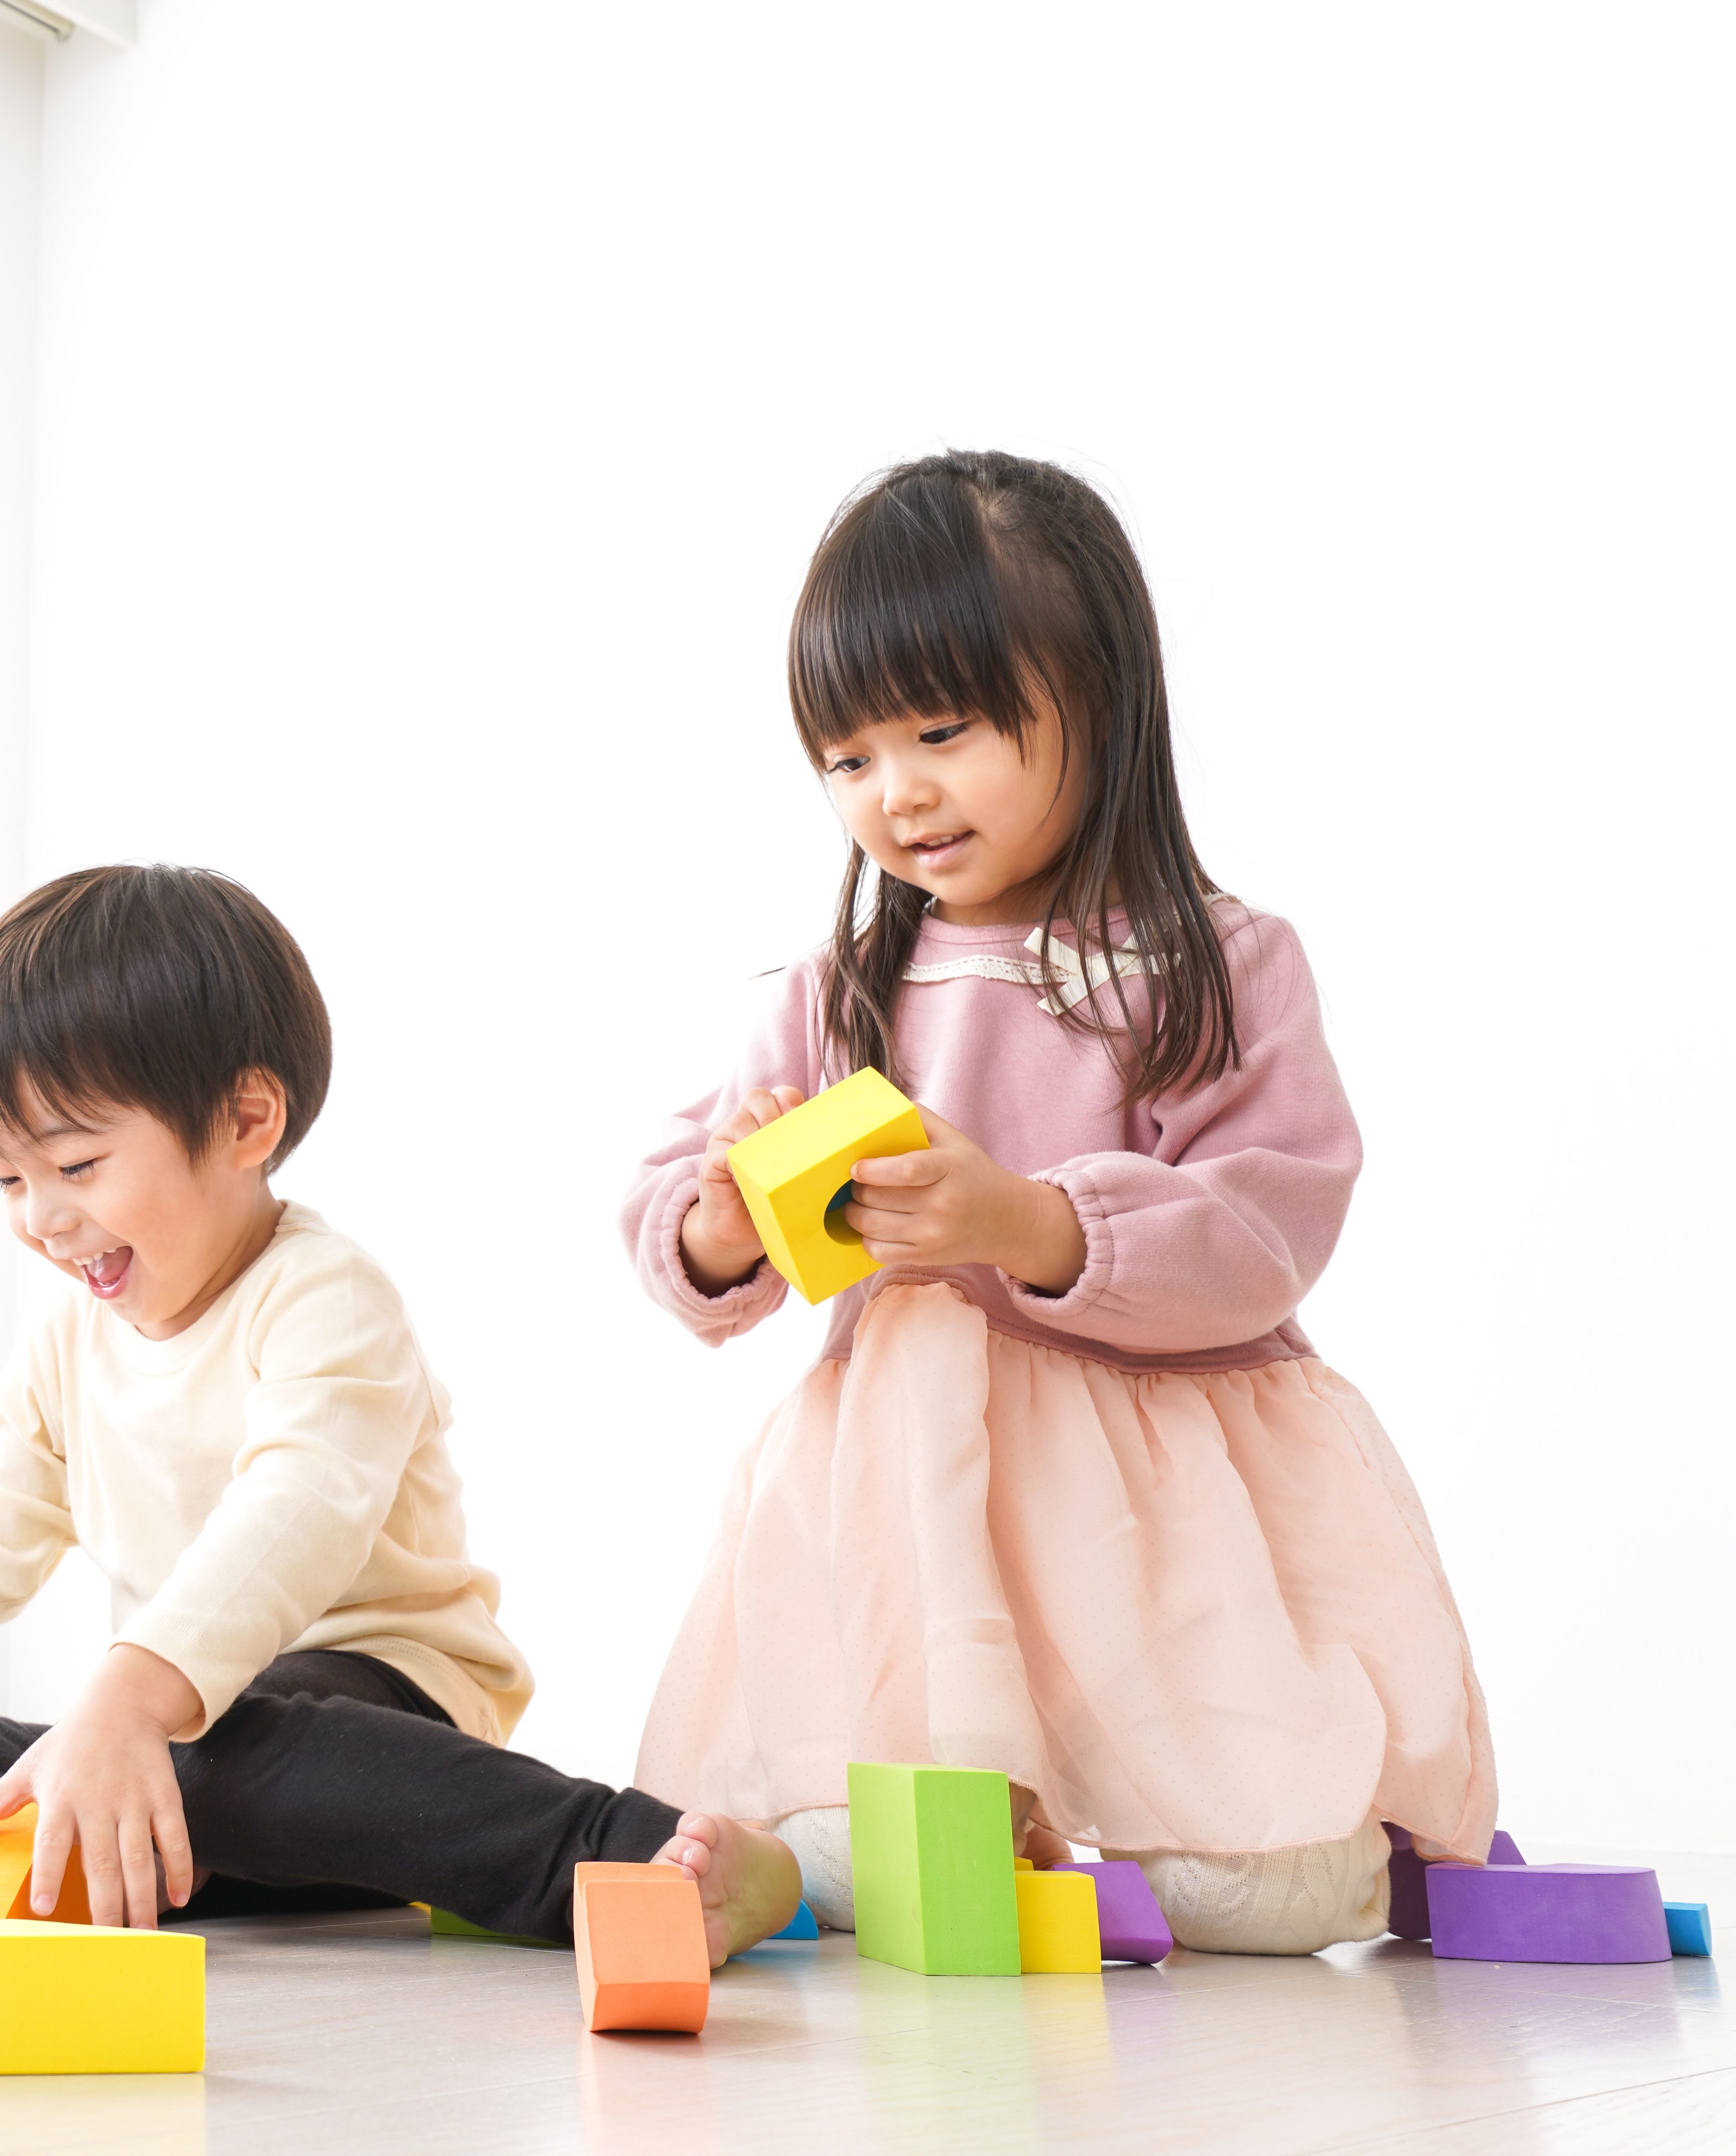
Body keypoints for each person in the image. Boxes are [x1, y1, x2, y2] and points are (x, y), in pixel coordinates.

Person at [0, 865, 805, 1959]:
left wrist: (127, 1702)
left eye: (75, 1165)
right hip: (190, 1725)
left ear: (244, 1122)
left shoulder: (324, 1295)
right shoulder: (68, 1343)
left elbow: (298, 1511)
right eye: (6, 1177)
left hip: (375, 1690)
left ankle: (635, 1853)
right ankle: (148, 1849)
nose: (40, 1217)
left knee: (232, 1743)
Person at [623, 451, 1496, 1953]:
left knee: (1273, 1893)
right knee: (869, 1820)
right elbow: (684, 1221)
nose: (894, 794)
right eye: (846, 757)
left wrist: (1025, 1223)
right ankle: (837, 1865)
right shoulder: (840, 994)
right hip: (910, 1496)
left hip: (1151, 1497)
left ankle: (1095, 1868)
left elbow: (1266, 1232)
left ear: (1095, 696)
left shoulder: (1220, 965)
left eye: (942, 732)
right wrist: (722, 1219)